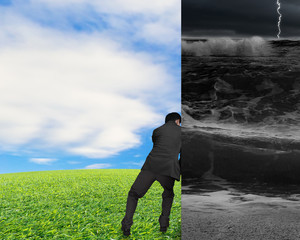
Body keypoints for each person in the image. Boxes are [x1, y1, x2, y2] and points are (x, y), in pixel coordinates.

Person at [121, 112, 181, 236]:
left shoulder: (157, 131)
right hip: (168, 168)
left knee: (133, 194)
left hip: (151, 165)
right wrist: (177, 166)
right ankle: (164, 224)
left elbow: (157, 145)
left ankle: (126, 225)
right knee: (168, 193)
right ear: (177, 121)